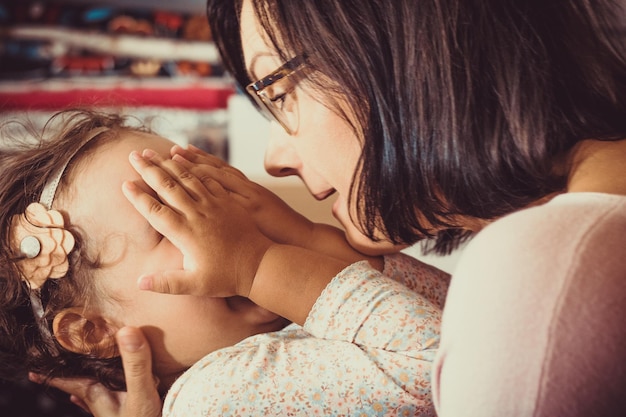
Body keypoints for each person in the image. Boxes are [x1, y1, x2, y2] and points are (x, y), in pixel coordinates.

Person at [65, 0, 626, 416]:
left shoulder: (551, 268)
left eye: (278, 93)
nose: (272, 159)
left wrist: (274, 261)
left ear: (407, 43)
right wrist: (298, 249)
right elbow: (451, 340)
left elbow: (442, 356)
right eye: (172, 209)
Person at [0, 109, 450, 416]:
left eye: (207, 189)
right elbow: (449, 361)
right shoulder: (214, 396)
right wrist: (261, 263)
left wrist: (304, 238)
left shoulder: (295, 324)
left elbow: (460, 313)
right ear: (93, 331)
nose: (223, 220)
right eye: (173, 217)